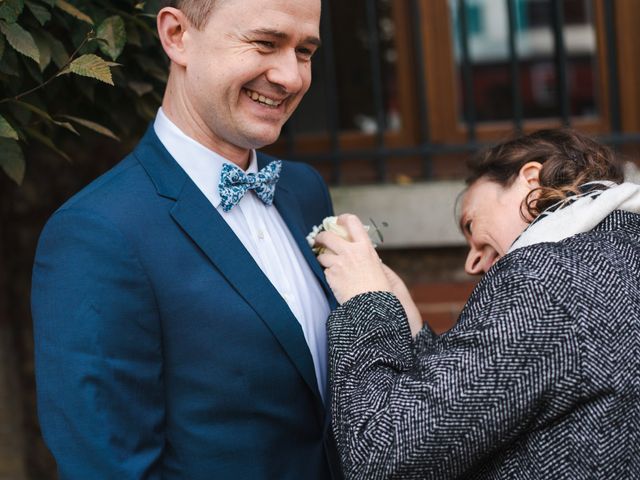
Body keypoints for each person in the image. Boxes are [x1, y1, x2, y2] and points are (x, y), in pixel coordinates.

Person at [31, 0, 343, 478]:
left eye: (304, 51)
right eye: (265, 43)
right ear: (177, 35)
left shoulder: (304, 190)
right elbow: (108, 465)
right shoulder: (97, 233)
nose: (292, 77)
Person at [314, 129, 640, 479]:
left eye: (471, 224)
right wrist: (409, 324)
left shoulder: (547, 281)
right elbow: (485, 405)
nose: (472, 265)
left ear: (532, 180)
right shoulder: (618, 256)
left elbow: (381, 453)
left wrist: (366, 301)